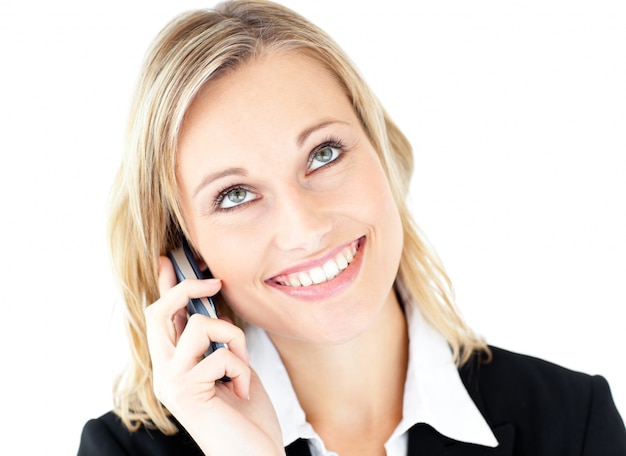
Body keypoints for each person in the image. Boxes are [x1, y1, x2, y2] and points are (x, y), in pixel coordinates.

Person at [77, 0, 626, 454]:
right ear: (185, 249)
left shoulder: (573, 422)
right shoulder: (121, 450)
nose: (304, 228)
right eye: (235, 194)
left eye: (324, 153)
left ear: (381, 150)